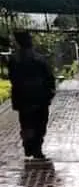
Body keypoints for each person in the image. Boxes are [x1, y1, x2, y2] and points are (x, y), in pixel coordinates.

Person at [8, 30, 56, 159]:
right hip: (39, 98)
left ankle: (30, 146)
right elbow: (50, 77)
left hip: (24, 99)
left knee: (27, 124)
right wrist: (50, 91)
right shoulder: (39, 59)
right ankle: (36, 148)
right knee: (39, 124)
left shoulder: (14, 60)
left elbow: (12, 78)